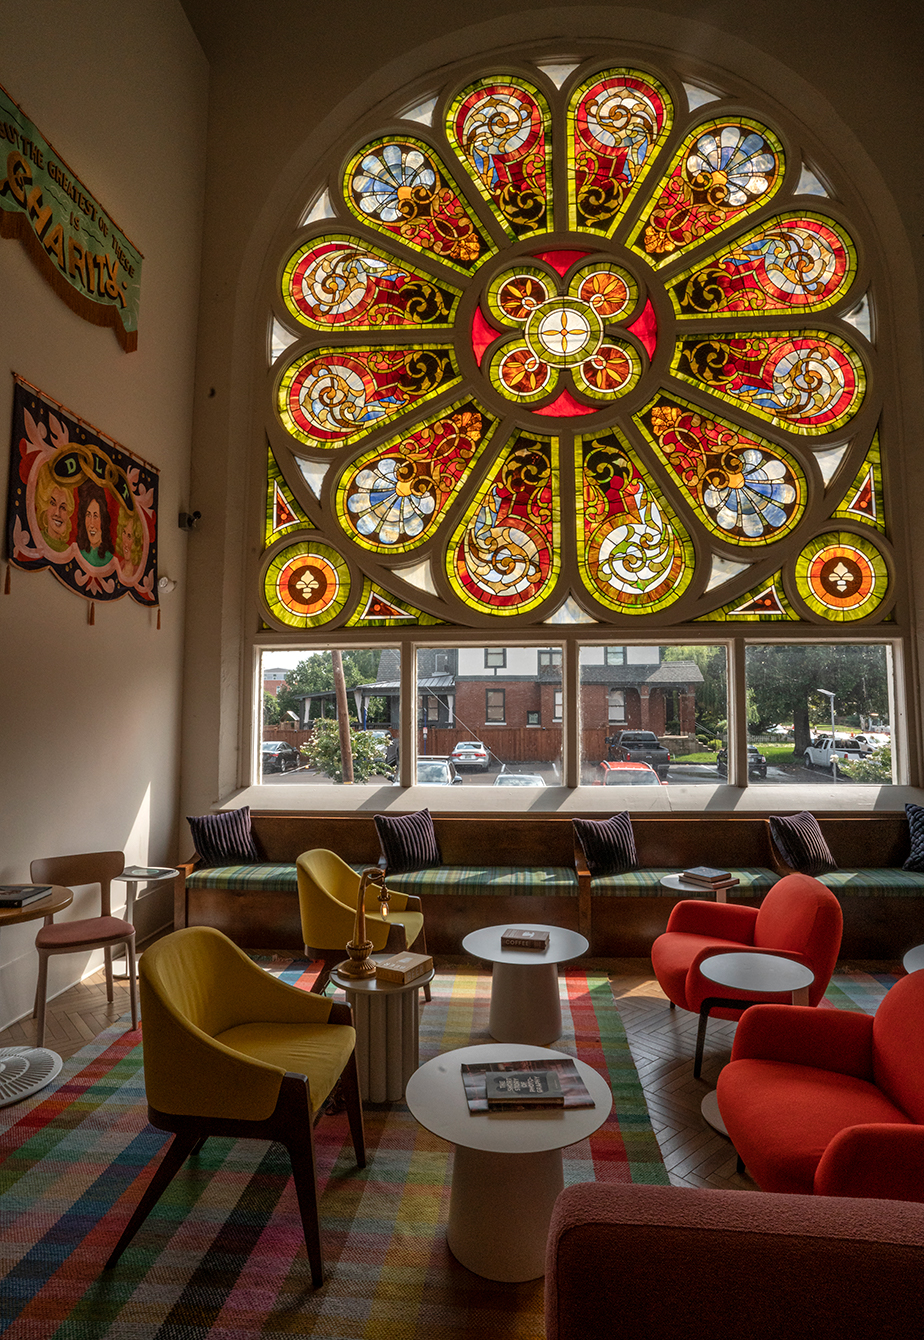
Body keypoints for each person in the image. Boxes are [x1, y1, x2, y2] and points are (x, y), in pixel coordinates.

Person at [34, 464, 75, 553]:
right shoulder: (36, 539)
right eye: (52, 503)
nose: (57, 513)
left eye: (63, 507)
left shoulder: (68, 550)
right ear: (44, 507)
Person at [76, 478, 114, 566]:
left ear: (103, 521)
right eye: (88, 515)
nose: (91, 524)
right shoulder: (77, 553)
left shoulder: (111, 561)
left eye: (96, 516)